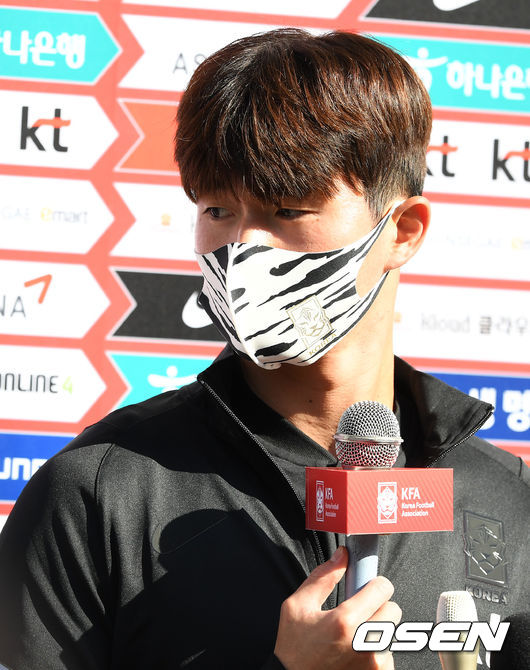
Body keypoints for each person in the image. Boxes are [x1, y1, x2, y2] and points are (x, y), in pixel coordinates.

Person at [0, 28, 528, 670]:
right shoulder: (97, 494)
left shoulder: (508, 500)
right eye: (218, 211)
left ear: (403, 231)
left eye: (286, 211)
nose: (243, 249)